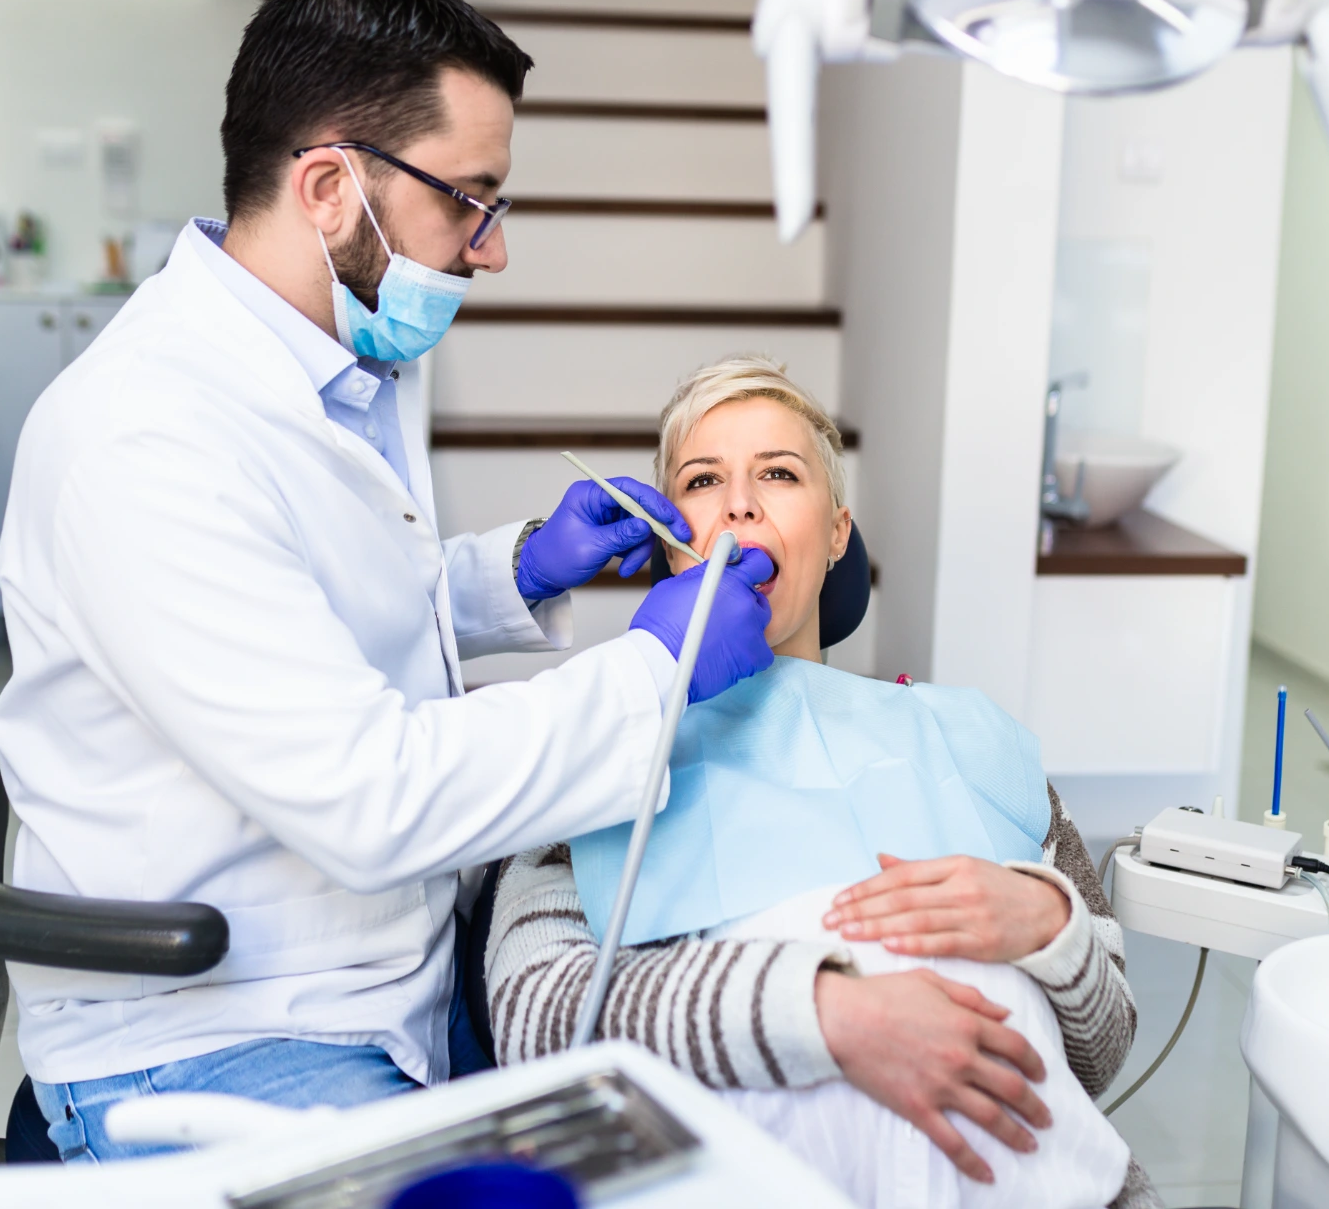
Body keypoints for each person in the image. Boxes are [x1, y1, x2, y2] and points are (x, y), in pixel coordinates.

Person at [0, 0, 776, 1162]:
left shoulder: (320, 370)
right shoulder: (140, 437)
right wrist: (651, 672)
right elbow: (370, 797)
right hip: (223, 1029)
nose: (492, 250)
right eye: (472, 200)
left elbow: (310, 606)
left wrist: (518, 568)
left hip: (372, 964)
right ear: (328, 186)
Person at [485, 356, 1161, 1208]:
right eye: (702, 479)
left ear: (838, 531)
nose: (739, 503)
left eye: (778, 472)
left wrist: (1050, 923)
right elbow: (536, 1024)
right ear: (665, 542)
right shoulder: (600, 748)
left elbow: (1102, 1051)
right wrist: (827, 1015)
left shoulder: (970, 743)